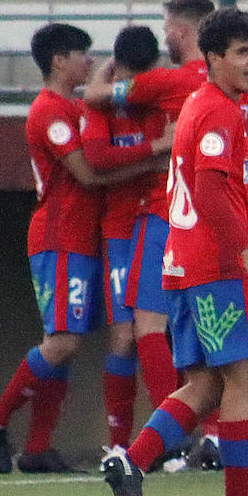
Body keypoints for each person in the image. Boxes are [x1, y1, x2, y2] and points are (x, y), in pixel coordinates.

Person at [100, 6, 248, 496]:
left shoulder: (204, 105)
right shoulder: (216, 110)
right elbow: (213, 188)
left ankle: (132, 460)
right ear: (213, 57)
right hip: (217, 268)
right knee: (244, 376)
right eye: (243, 52)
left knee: (205, 385)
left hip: (184, 268)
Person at [0, 23, 164, 474]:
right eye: (82, 54)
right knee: (62, 342)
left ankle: (39, 447)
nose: (88, 61)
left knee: (67, 342)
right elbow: (89, 174)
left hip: (87, 238)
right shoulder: (50, 112)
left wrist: (108, 73)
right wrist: (155, 153)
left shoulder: (74, 105)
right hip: (61, 238)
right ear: (59, 59)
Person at [80, 25, 175, 450]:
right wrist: (155, 148)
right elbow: (97, 158)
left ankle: (171, 438)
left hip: (161, 217)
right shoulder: (104, 102)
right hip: (120, 226)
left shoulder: (160, 95)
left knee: (170, 330)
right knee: (125, 335)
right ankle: (118, 444)